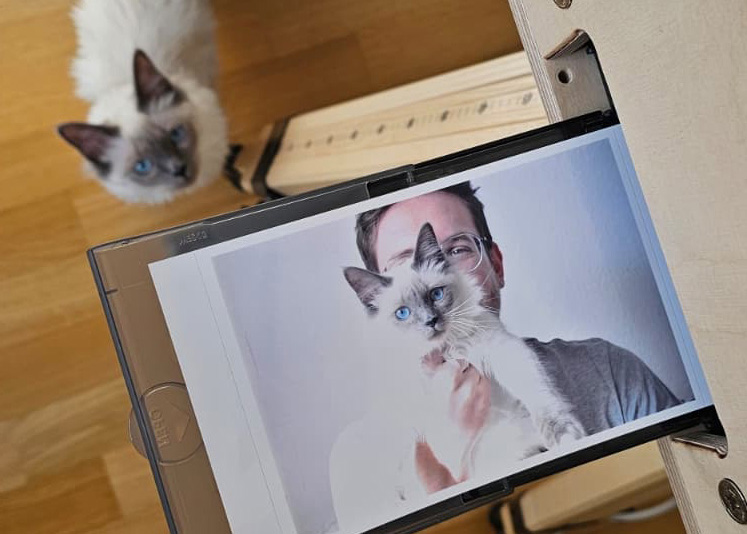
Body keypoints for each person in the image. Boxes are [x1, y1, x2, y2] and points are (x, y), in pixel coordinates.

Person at [329, 181, 682, 530]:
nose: (429, 317)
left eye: (455, 250)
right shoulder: (359, 455)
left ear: (496, 264)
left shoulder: (610, 370)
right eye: (401, 265)